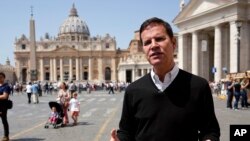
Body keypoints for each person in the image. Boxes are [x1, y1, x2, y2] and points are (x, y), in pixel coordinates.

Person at [110, 17, 220, 141]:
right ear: (144, 49)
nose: (153, 45)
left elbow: (210, 131)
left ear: (173, 43)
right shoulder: (133, 90)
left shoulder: (198, 86)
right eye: (147, 42)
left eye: (159, 39)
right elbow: (126, 132)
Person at [0, 72, 11, 141]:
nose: (0, 78)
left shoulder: (6, 86)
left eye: (1, 77)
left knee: (4, 120)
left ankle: (6, 136)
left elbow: (5, 96)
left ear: (4, 78)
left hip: (2, 106)